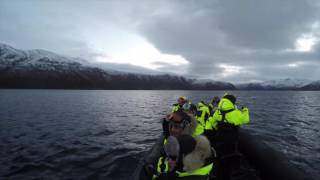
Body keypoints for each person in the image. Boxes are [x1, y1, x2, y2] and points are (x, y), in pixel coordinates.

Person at [205, 94, 249, 180]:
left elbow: (213, 123)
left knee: (220, 160)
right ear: (232, 102)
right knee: (228, 163)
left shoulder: (218, 112)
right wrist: (245, 110)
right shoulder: (236, 113)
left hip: (219, 141)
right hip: (231, 143)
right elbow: (246, 119)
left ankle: (218, 174)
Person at [145, 110, 198, 180]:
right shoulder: (175, 139)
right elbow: (168, 135)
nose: (172, 129)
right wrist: (165, 122)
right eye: (171, 125)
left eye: (176, 127)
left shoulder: (187, 148)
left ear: (185, 128)